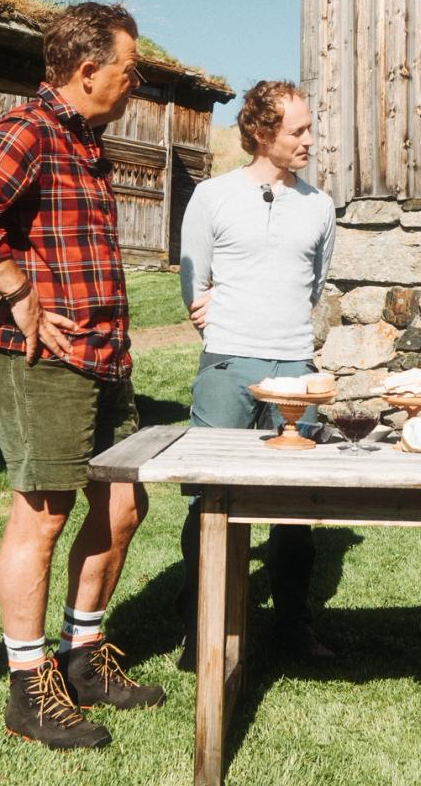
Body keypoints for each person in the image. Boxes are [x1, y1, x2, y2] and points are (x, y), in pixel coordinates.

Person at [0, 1, 163, 751]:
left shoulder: (84, 141)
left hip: (101, 358)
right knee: (43, 517)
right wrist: (20, 290)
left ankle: (85, 658)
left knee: (123, 506)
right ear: (89, 69)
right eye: (129, 71)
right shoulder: (27, 130)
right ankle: (30, 690)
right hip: (40, 362)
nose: (135, 84)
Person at [174, 80, 337, 668]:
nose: (310, 141)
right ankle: (204, 628)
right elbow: (194, 280)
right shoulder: (213, 196)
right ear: (262, 133)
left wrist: (283, 341)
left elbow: (315, 285)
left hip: (295, 367)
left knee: (294, 506)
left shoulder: (319, 206)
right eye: (298, 131)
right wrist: (224, 336)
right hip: (227, 364)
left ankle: (293, 628)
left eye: (309, 128)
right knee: (211, 498)